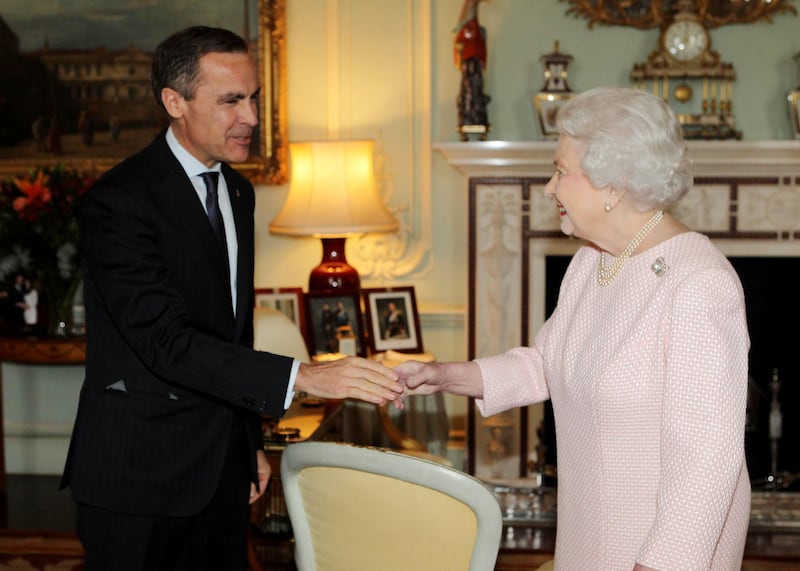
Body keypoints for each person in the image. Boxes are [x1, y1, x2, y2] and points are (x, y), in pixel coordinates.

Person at [60, 26, 402, 571]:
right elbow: (166, 342)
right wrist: (305, 376)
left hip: (220, 470)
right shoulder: (118, 202)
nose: (251, 118)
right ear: (174, 102)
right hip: (137, 479)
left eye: (253, 99)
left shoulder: (238, 192)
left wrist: (248, 447)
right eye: (230, 101)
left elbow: (229, 335)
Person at [396, 87, 751, 570]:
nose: (549, 187)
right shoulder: (593, 262)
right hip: (588, 537)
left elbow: (708, 460)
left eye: (562, 170)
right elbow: (549, 362)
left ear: (614, 183)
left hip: (659, 552)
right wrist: (446, 376)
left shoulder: (700, 285)